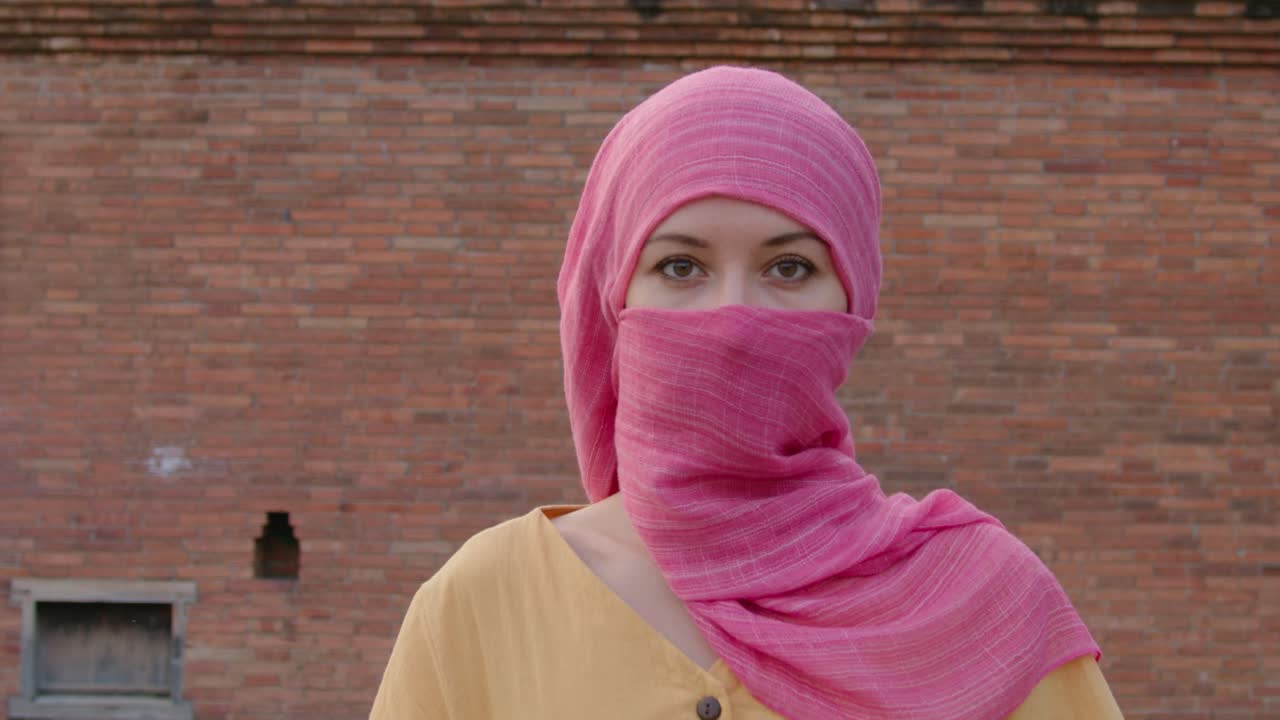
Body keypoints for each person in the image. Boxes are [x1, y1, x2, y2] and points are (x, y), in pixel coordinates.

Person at [370, 66, 1125, 719]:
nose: (733, 319)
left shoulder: (985, 601)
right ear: (612, 297)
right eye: (680, 267)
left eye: (788, 268)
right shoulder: (486, 604)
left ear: (853, 299)